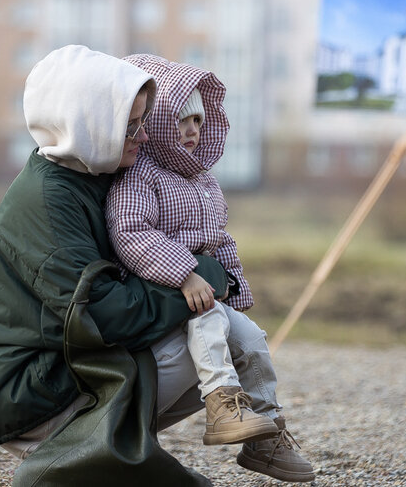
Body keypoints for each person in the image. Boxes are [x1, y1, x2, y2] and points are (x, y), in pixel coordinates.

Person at [0, 45, 231, 486]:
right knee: (215, 331)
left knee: (218, 329)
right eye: (131, 125)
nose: (143, 137)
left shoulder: (92, 172)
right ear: (90, 124)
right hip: (20, 387)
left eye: (144, 122)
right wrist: (206, 274)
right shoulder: (48, 200)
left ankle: (99, 452)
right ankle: (66, 460)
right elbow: (103, 314)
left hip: (60, 360)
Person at [105, 53, 315, 483]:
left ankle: (266, 436)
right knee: (208, 317)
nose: (191, 130)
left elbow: (220, 238)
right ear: (158, 120)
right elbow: (129, 232)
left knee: (251, 338)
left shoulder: (204, 180)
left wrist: (236, 292)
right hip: (160, 289)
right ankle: (221, 402)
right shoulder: (141, 175)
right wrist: (184, 272)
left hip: (204, 291)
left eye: (199, 121)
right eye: (180, 119)